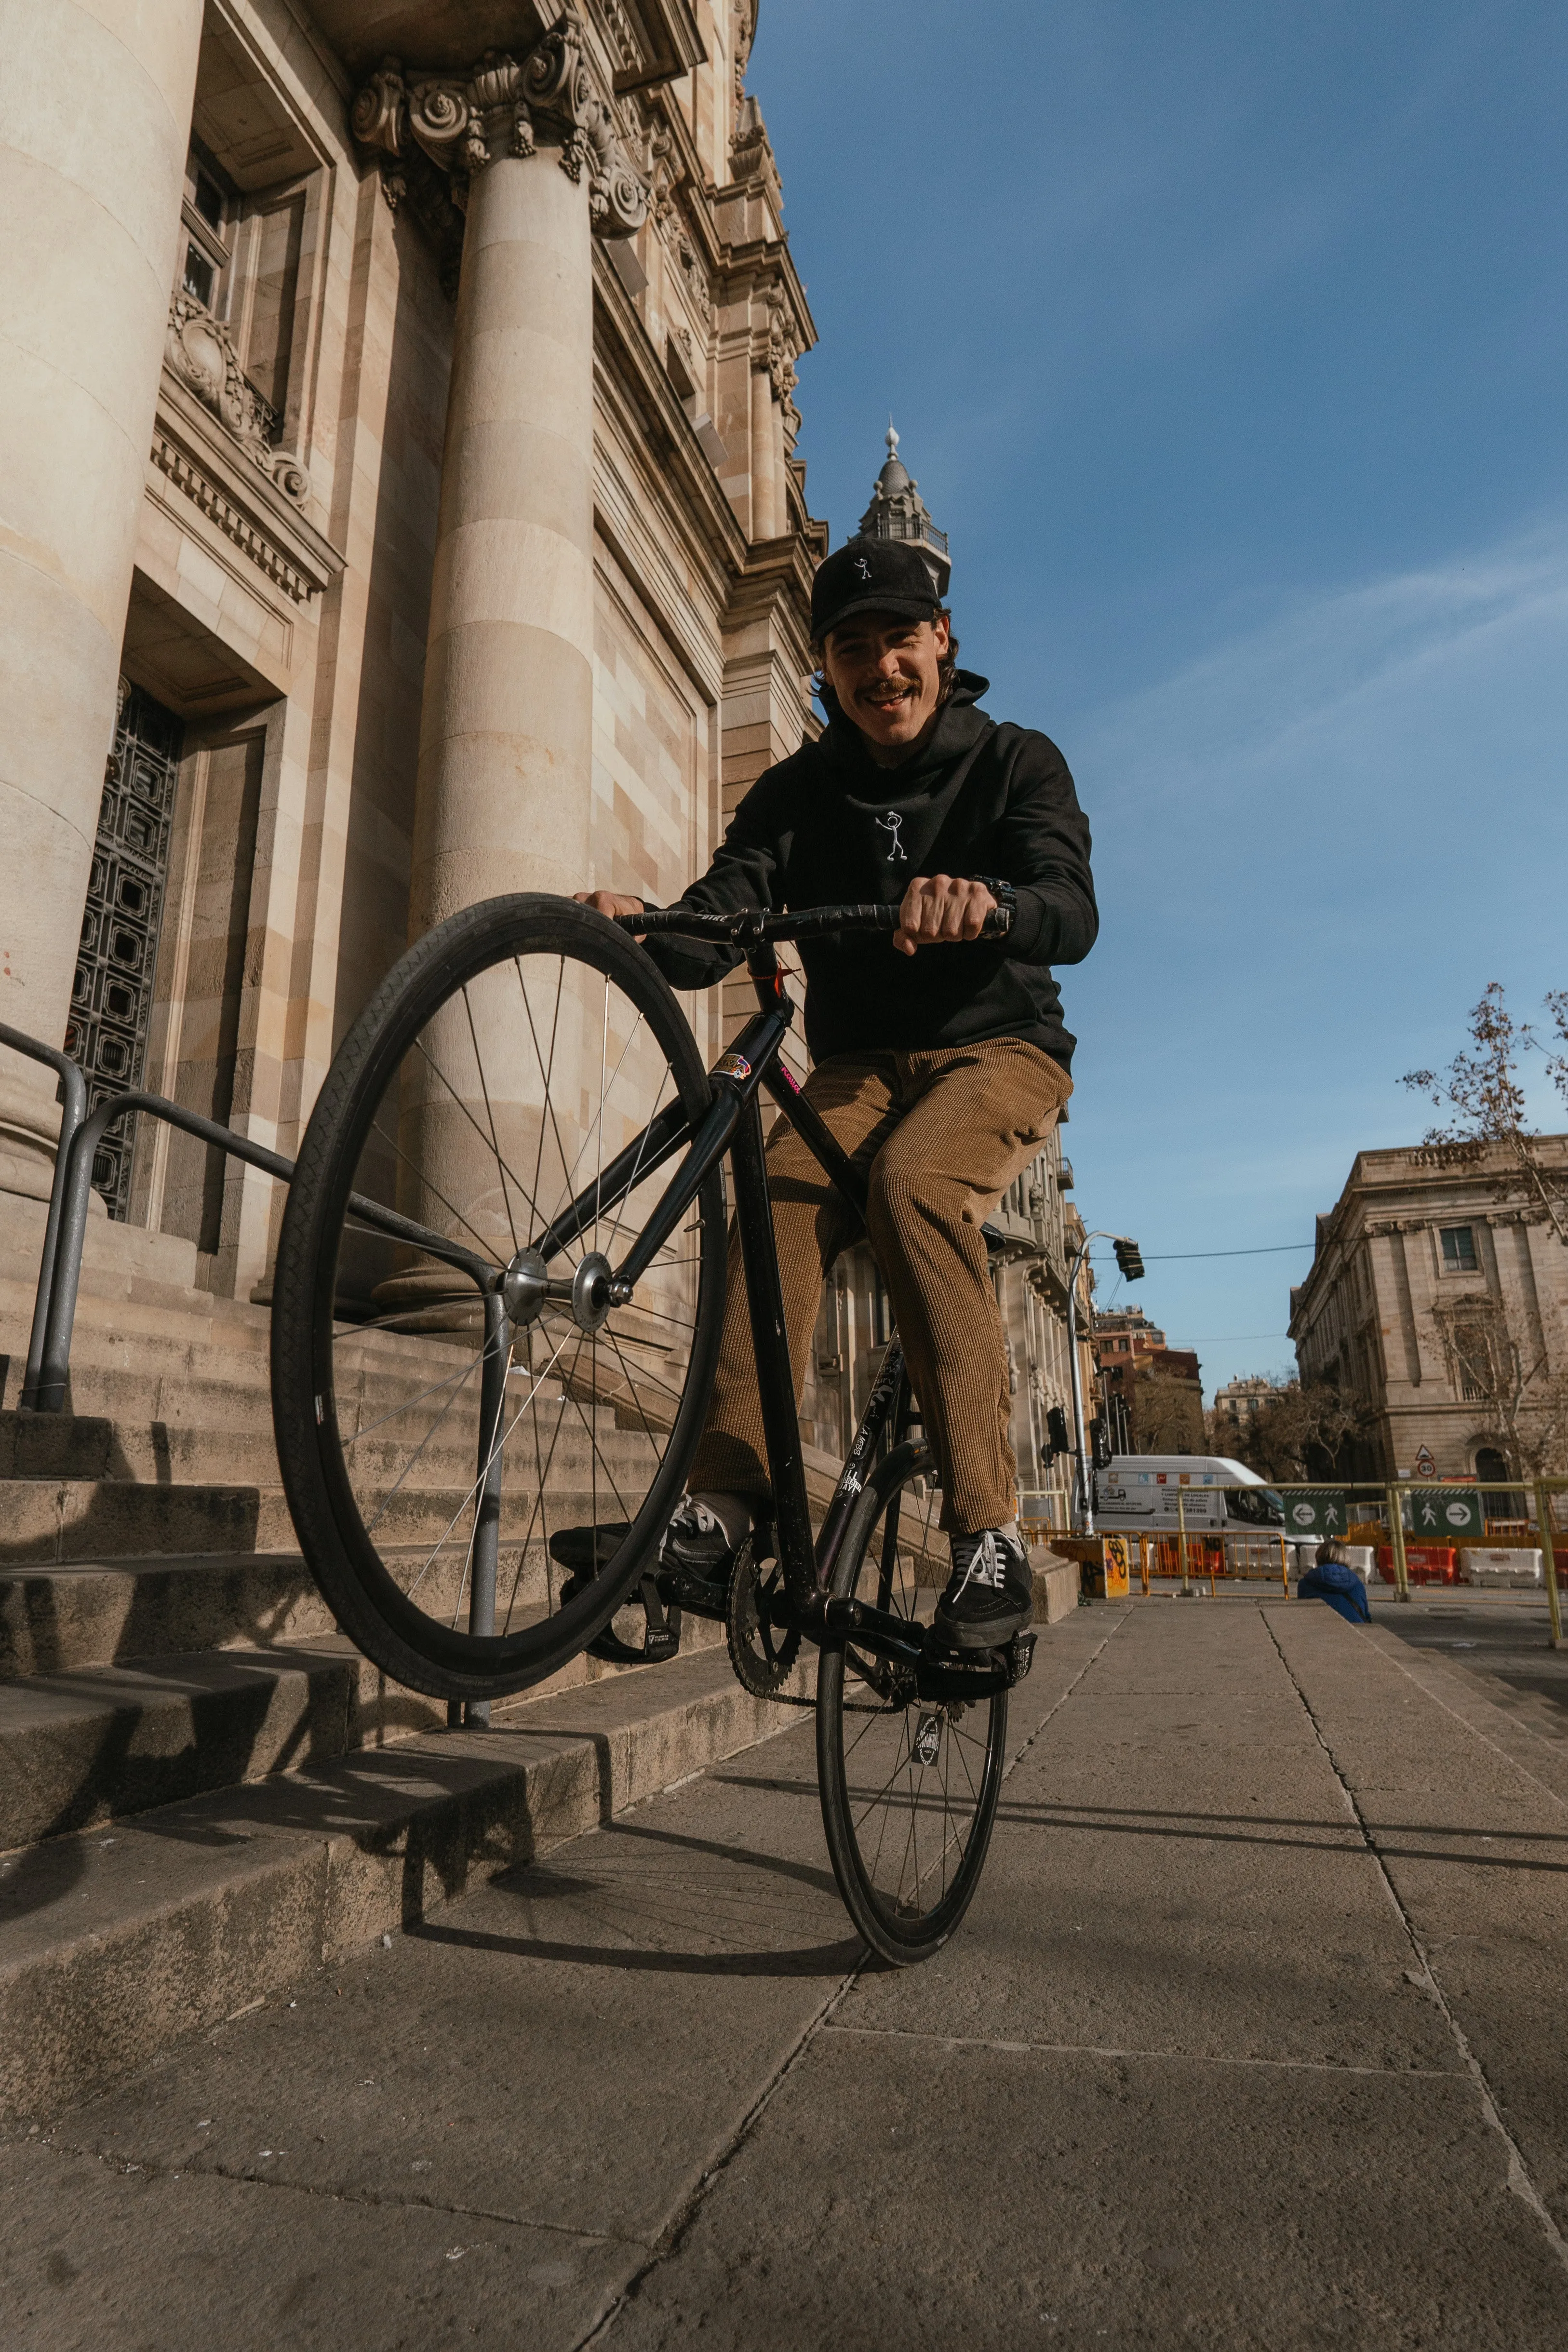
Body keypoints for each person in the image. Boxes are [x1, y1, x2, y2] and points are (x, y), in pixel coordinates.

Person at [577, 534, 1097, 1648]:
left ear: (942, 643)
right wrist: (643, 923)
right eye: (853, 649)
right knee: (772, 1192)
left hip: (997, 1050)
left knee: (915, 1183)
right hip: (860, 1068)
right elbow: (721, 919)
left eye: (900, 641)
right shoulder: (792, 795)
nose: (883, 670)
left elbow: (1072, 909)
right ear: (824, 663)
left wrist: (991, 903)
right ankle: (723, 1512)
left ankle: (988, 1538)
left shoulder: (1016, 761)